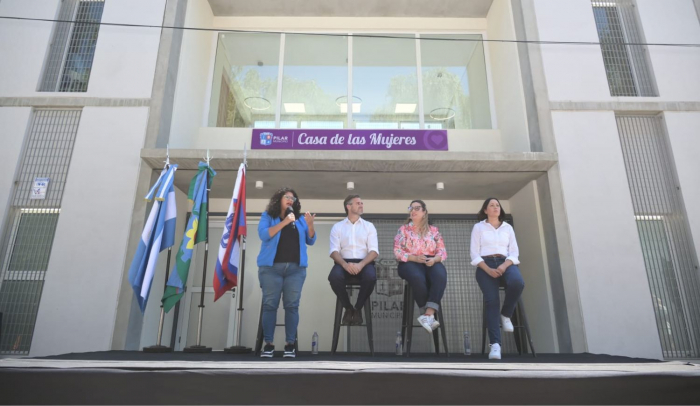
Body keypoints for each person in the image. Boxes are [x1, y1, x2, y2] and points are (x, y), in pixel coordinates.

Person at [257, 187, 316, 358]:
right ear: (279, 200)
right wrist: (284, 222)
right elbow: (264, 234)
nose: (291, 200)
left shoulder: (300, 219)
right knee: (270, 305)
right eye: (287, 197)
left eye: (293, 198)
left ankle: (290, 344)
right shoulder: (268, 216)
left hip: (295, 270)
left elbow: (310, 240)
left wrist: (310, 225)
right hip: (271, 269)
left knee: (292, 306)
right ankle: (268, 344)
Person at [470, 197, 525, 360]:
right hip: (485, 264)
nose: (495, 207)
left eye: (497, 205)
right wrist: (488, 269)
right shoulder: (478, 227)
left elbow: (514, 253)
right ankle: (495, 345)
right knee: (491, 301)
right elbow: (474, 253)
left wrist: (503, 266)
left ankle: (506, 314)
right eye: (491, 205)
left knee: (517, 282)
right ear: (485, 210)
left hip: (505, 262)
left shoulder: (507, 228)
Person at [393, 200, 447, 333]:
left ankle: (428, 314)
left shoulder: (434, 230)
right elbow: (397, 251)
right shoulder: (403, 229)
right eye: (411, 208)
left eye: (417, 208)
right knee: (417, 277)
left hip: (430, 260)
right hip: (410, 261)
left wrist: (434, 259)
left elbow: (442, 252)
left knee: (440, 275)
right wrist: (414, 258)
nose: (413, 211)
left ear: (424, 212)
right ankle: (425, 311)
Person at [328, 195, 379, 326]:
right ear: (348, 206)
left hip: (365, 261)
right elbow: (334, 251)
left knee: (371, 277)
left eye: (362, 203)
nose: (361, 205)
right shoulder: (337, 226)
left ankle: (357, 308)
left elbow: (373, 251)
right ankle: (348, 307)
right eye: (358, 203)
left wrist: (361, 264)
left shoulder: (369, 226)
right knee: (334, 277)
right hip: (343, 261)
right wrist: (345, 265)